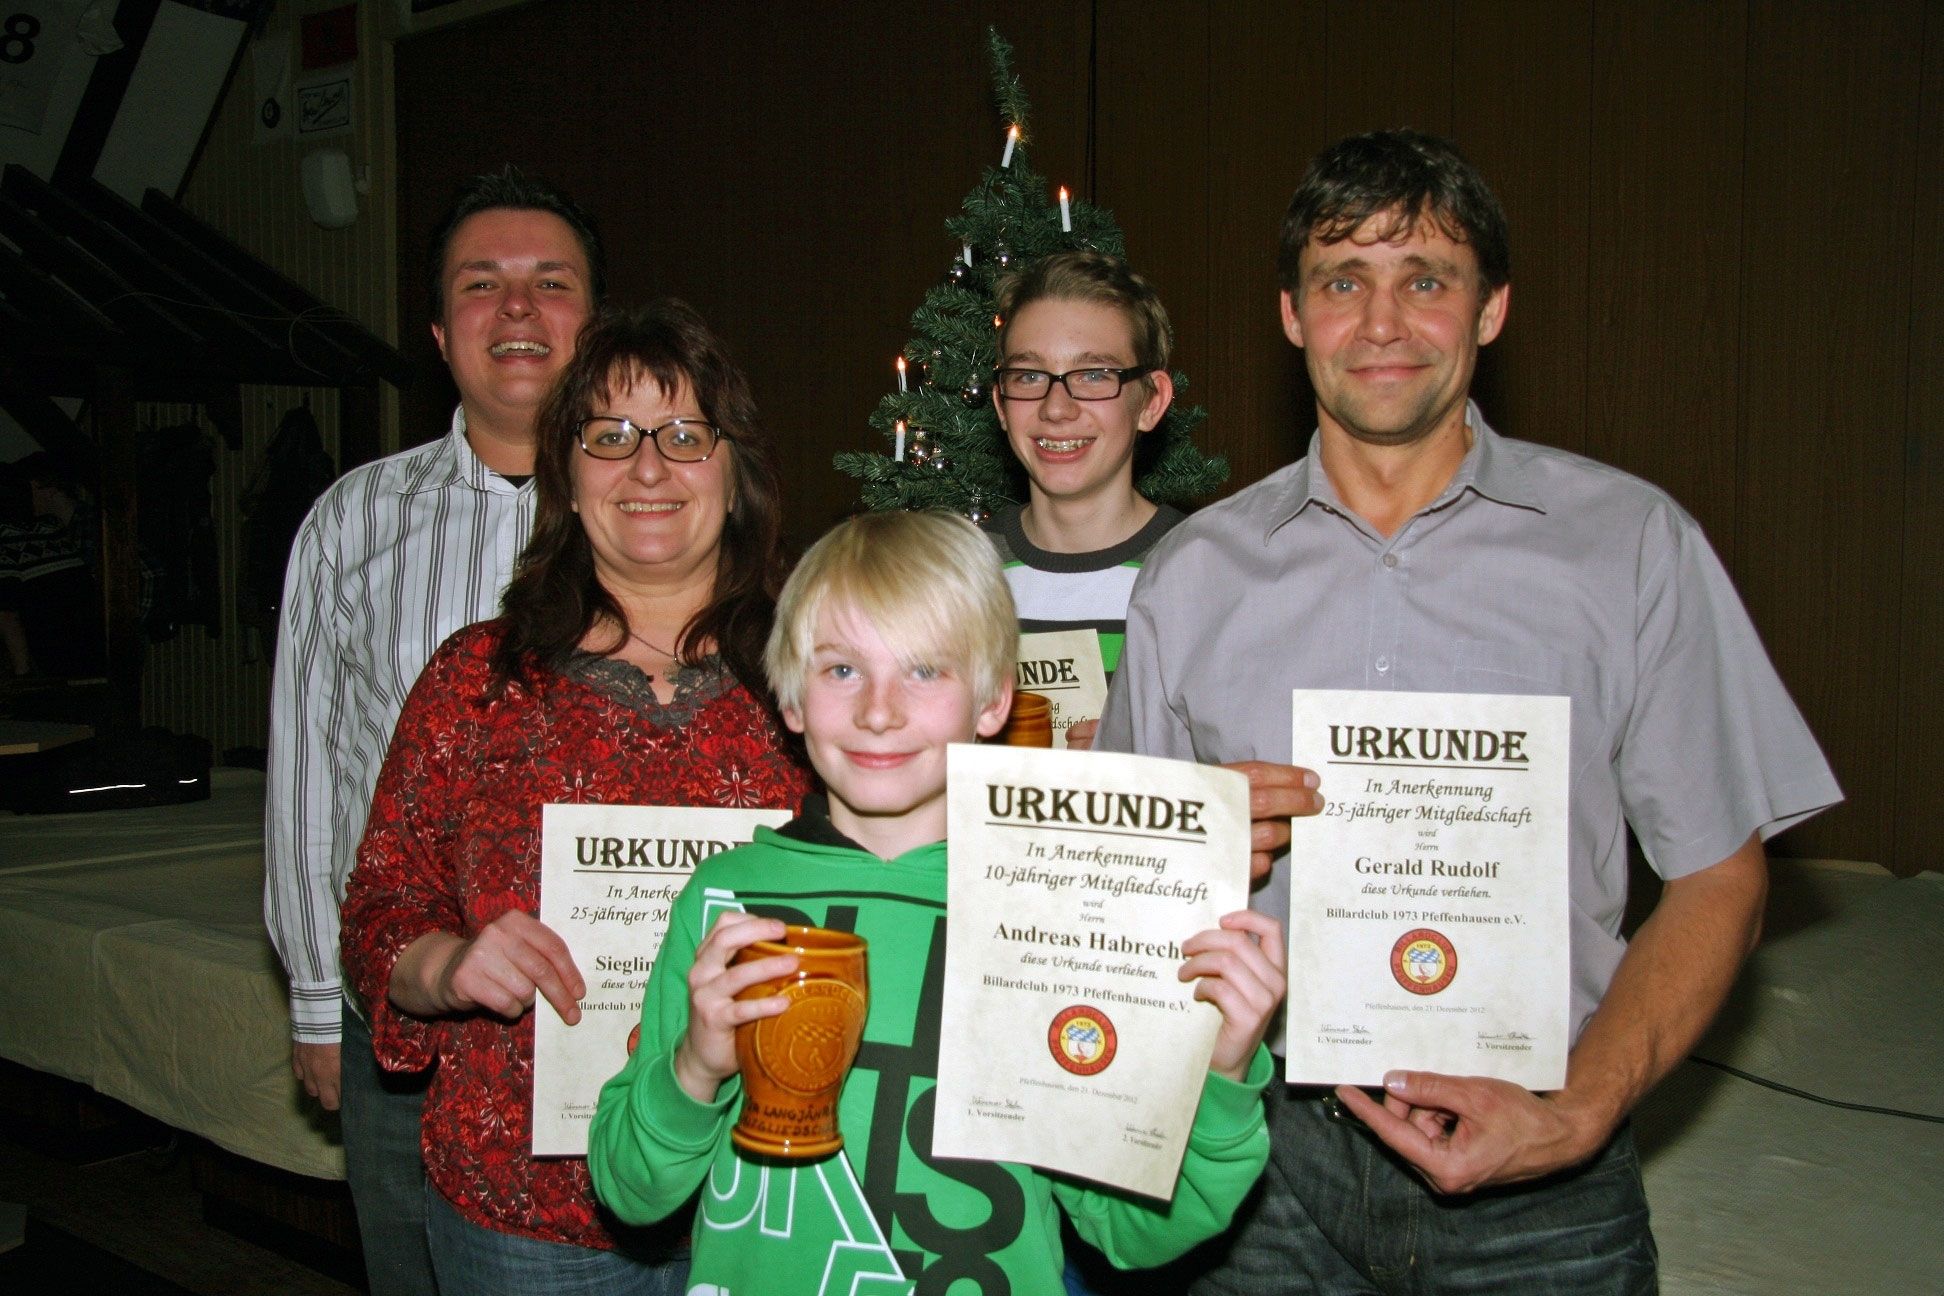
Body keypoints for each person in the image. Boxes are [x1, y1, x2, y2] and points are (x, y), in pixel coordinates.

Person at [1095, 128, 1842, 1294]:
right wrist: (1185, 845)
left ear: (1490, 311)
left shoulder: (1631, 545)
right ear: (1292, 317)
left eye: (1426, 280)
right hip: (1257, 1161)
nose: (1382, 323)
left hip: (1543, 1157)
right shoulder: (1193, 574)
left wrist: (1582, 1111)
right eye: (1343, 281)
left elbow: (1721, 875)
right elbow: (1111, 891)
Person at [587, 509, 1287, 1294]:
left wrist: (1219, 1077)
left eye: (925, 671)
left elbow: (1136, 1234)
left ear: (992, 702)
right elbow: (629, 1190)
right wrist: (693, 1069)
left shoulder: (1054, 914)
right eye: (840, 669)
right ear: (789, 698)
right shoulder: (724, 900)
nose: (878, 711)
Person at [340, 300, 812, 1294]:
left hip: (769, 1198)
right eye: (611, 437)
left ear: (736, 474)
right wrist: (453, 964)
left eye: (685, 435)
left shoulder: (826, 680)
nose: (649, 469)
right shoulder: (475, 681)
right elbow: (382, 905)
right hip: (526, 1215)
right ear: (568, 477)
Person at [264, 165, 604, 1294]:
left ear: (593, 323)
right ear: (437, 331)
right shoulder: (353, 523)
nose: (517, 311)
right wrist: (321, 1001)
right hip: (404, 1019)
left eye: (550, 283)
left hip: (618, 1014)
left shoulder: (664, 512)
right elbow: (311, 773)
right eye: (481, 284)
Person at [988, 251, 1182, 750]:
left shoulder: (1205, 572)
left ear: (1151, 401)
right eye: (1029, 376)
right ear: (1001, 405)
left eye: (1094, 374)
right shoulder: (957, 574)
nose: (1056, 407)